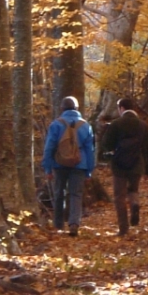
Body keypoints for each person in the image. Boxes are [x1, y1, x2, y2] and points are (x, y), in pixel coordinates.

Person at [42, 96, 95, 236]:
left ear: (62, 108)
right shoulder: (86, 125)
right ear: (77, 108)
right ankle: (74, 223)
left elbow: (49, 147)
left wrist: (47, 168)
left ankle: (58, 224)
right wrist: (89, 170)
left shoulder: (56, 124)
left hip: (59, 163)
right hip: (80, 164)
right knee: (76, 194)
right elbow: (90, 150)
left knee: (59, 193)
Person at [101, 97, 148, 236]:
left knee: (119, 196)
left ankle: (123, 229)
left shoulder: (116, 124)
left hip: (119, 165)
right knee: (133, 190)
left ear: (122, 108)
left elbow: (106, 144)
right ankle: (135, 203)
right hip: (138, 163)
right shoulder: (143, 125)